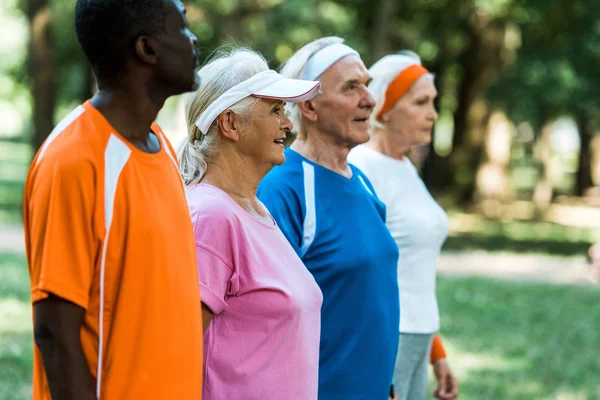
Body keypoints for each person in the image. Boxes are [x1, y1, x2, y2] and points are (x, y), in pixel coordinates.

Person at [23, 1, 203, 399]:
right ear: (147, 49)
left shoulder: (163, 149)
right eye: (183, 27)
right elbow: (54, 331)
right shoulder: (72, 160)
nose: (193, 40)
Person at [257, 37, 400, 399]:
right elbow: (261, 318)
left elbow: (370, 300)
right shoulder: (283, 187)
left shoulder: (363, 182)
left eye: (366, 85)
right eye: (351, 87)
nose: (368, 99)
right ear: (308, 106)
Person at [177, 47, 324, 400]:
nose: (288, 124)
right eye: (275, 110)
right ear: (230, 124)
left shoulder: (253, 209)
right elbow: (175, 351)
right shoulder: (210, 216)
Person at [348, 53, 459, 400]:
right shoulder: (362, 168)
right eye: (421, 102)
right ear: (386, 108)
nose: (433, 114)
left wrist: (436, 351)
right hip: (386, 342)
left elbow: (413, 272)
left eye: (434, 102)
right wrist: (375, 365)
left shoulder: (405, 167)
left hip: (418, 340)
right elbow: (358, 277)